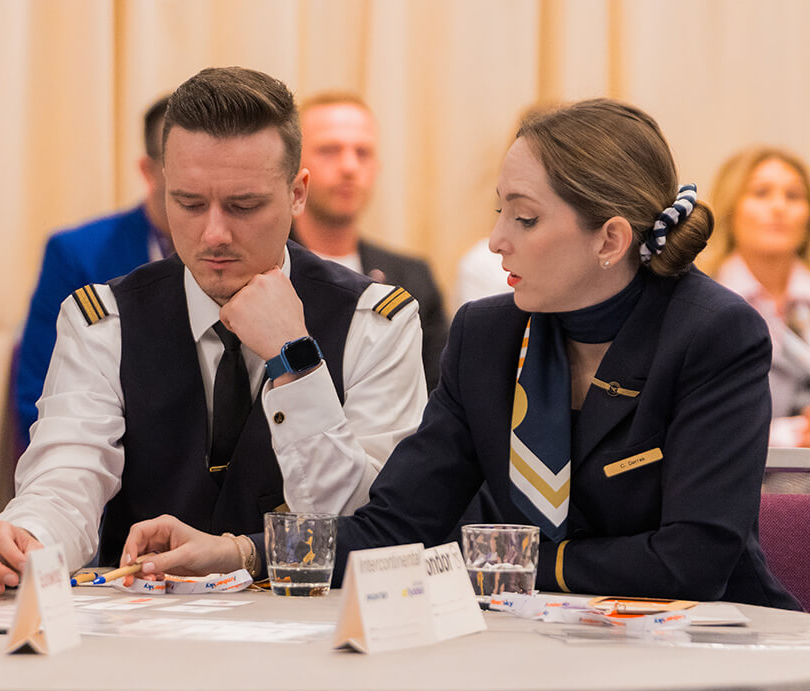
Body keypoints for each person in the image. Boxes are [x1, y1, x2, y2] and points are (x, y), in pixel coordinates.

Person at [120, 98, 799, 610]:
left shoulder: (714, 334)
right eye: (499, 210)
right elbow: (393, 528)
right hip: (538, 643)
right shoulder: (487, 335)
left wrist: (501, 565)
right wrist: (241, 552)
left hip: (711, 655)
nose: (497, 239)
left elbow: (692, 561)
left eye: (524, 218)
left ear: (610, 240)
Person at [0, 67, 427, 597]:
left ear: (297, 193)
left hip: (317, 625)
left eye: (244, 206)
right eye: (189, 203)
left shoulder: (376, 321)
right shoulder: (103, 320)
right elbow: (66, 479)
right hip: (141, 626)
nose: (214, 234)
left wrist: (294, 360)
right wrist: (26, 539)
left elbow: (371, 530)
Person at [13, 95, 172, 448]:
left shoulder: (253, 252)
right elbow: (39, 397)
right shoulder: (78, 255)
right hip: (108, 462)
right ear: (148, 170)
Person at [291, 91, 448, 389]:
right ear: (294, 165)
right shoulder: (265, 268)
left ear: (377, 167)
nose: (349, 167)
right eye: (329, 150)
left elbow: (437, 393)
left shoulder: (412, 279)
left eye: (362, 153)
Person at [703, 146, 810, 446]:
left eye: (793, 196)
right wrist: (793, 435)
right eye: (761, 193)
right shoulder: (701, 300)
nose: (779, 207)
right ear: (731, 208)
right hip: (736, 467)